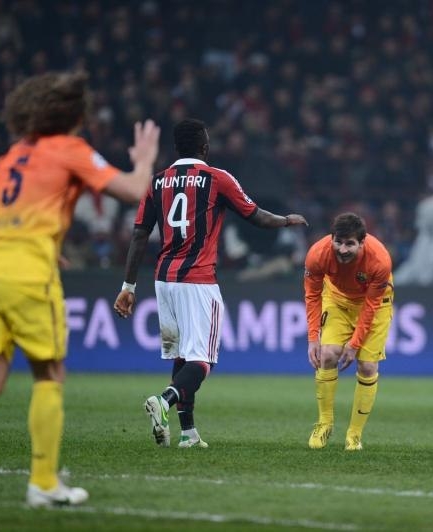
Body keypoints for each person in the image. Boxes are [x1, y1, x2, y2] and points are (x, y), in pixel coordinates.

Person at [0, 71, 160, 507]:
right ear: (75, 115)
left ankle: (44, 484)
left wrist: (25, 233)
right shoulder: (70, 149)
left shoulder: (17, 153)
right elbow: (134, 190)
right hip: (26, 275)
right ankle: (44, 484)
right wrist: (144, 159)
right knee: (49, 374)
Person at [113, 118, 307, 449]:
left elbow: (140, 235)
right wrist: (287, 220)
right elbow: (256, 216)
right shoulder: (216, 178)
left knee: (183, 356)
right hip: (198, 280)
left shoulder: (157, 182)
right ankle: (163, 400)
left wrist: (128, 287)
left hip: (164, 281)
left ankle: (188, 433)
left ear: (176, 148)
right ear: (205, 147)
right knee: (204, 359)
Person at [304, 212, 394, 451]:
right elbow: (312, 295)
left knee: (368, 366)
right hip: (337, 299)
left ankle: (354, 435)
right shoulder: (317, 255)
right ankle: (324, 424)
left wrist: (354, 345)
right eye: (338, 242)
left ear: (362, 242)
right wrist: (312, 337)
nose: (342, 249)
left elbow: (371, 306)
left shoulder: (380, 261)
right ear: (331, 238)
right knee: (327, 355)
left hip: (375, 305)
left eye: (350, 244)